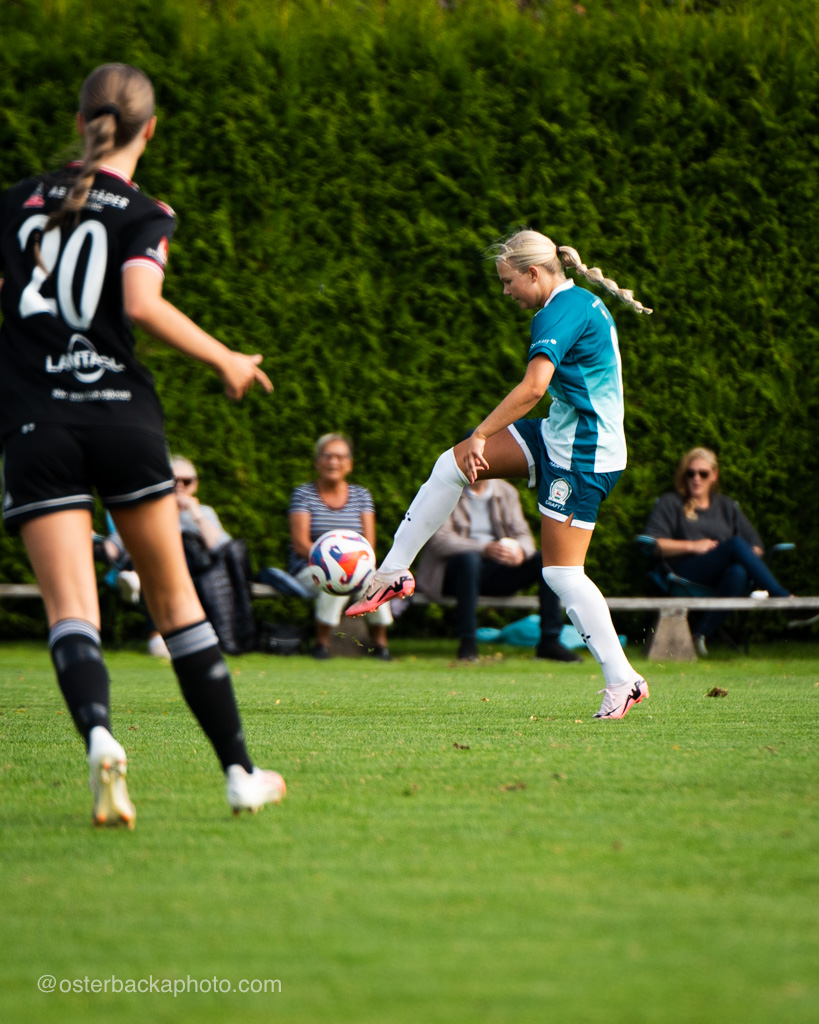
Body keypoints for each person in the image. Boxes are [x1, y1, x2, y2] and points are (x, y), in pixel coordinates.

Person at [0, 63, 285, 826]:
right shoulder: (144, 211)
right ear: (149, 130)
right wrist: (227, 359)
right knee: (175, 602)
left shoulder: (16, 202)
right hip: (121, 418)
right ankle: (239, 774)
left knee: (71, 609)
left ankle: (98, 735)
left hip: (35, 422)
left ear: (80, 119)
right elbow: (141, 303)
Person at [348, 229, 653, 719]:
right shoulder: (573, 303)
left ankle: (624, 681)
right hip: (559, 435)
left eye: (508, 281)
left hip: (585, 454)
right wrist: (476, 441)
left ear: (533, 273)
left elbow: (533, 388)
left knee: (561, 573)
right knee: (452, 465)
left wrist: (482, 433)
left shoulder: (558, 311)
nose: (505, 291)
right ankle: (392, 572)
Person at [416, 472, 581, 663]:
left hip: (492, 573)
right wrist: (485, 548)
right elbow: (440, 540)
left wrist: (520, 552)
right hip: (452, 575)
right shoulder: (446, 491)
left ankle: (550, 642)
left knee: (544, 560)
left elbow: (524, 535)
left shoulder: (506, 492)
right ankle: (467, 644)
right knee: (469, 560)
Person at [643, 446, 792, 657]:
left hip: (722, 575)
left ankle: (701, 634)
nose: (696, 478)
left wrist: (744, 554)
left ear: (714, 475)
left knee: (739, 569)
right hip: (683, 573)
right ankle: (784, 600)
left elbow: (756, 545)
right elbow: (654, 544)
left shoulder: (726, 506)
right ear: (684, 476)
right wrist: (694, 546)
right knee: (735, 544)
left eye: (703, 474)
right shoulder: (671, 502)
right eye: (691, 473)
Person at [289, 433, 393, 660]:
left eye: (340, 457)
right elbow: (300, 544)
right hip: (309, 567)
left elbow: (369, 544)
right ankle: (322, 642)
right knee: (336, 576)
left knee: (374, 579)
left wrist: (353, 564)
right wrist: (332, 561)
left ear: (350, 464)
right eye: (327, 456)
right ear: (317, 462)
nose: (333, 462)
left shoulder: (361, 496)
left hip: (356, 565)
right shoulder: (303, 494)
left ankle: (380, 643)